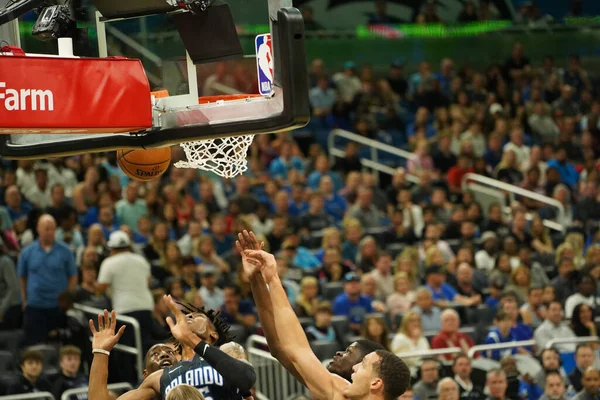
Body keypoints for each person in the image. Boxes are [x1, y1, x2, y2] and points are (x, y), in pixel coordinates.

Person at [236, 230, 411, 399]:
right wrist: (260, 281)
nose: (355, 367)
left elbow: (295, 348)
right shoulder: (336, 390)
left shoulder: (338, 391)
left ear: (375, 383)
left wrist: (272, 278)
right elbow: (286, 347)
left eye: (361, 364)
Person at [87, 303, 256, 400]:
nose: (187, 317)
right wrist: (101, 353)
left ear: (213, 334)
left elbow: (246, 378)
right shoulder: (160, 377)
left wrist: (192, 340)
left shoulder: (227, 352)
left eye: (196, 316)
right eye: (185, 316)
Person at [18, 214, 78, 345]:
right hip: (35, 306)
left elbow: (73, 275)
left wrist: (69, 297)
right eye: (46, 228)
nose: (50, 232)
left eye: (52, 229)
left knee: (59, 346)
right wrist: (24, 299)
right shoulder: (27, 252)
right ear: (38, 229)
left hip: (57, 307)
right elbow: (21, 276)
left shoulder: (65, 251)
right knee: (34, 346)